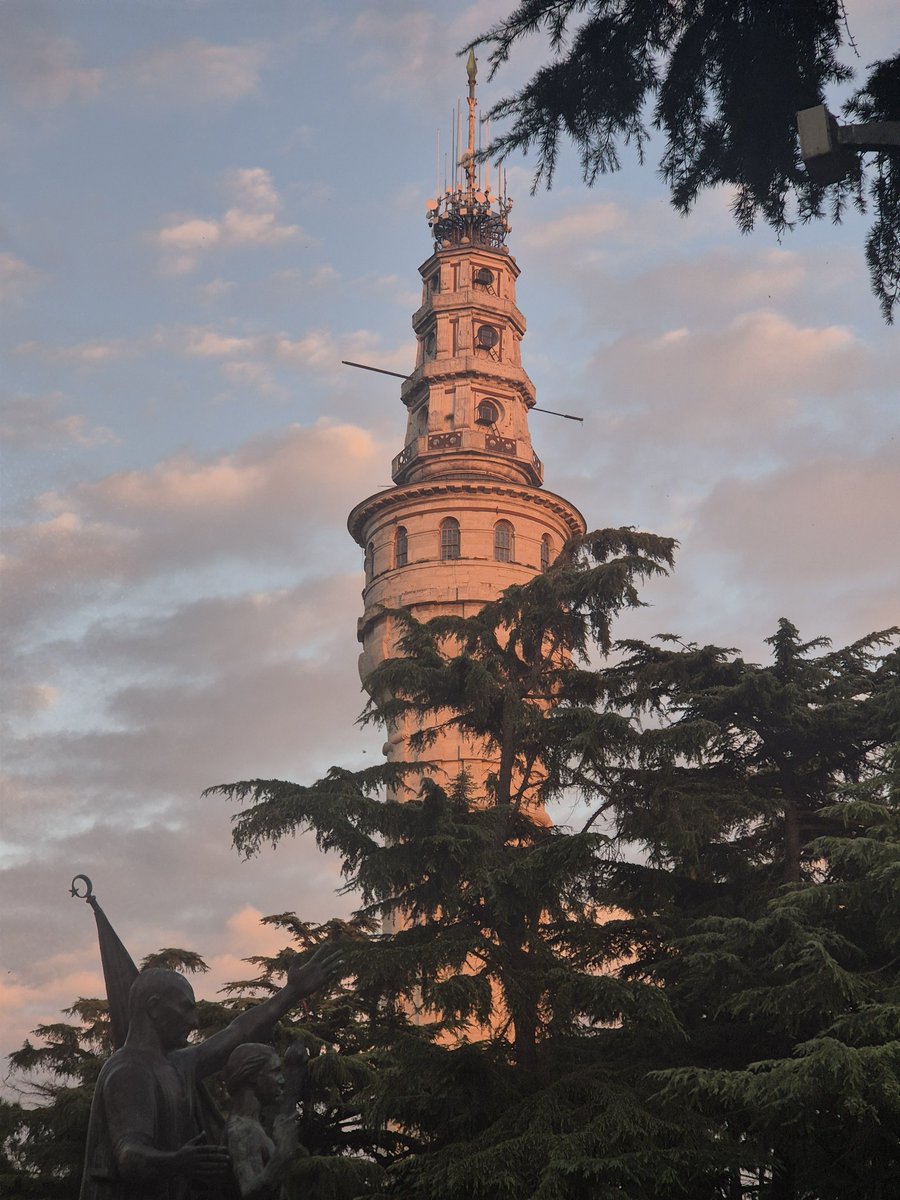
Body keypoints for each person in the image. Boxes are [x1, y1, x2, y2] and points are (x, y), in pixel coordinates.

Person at [79, 944, 341, 1200]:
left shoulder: (178, 1063)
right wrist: (179, 1161)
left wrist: (292, 992)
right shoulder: (129, 1071)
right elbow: (129, 1157)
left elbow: (237, 1033)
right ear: (154, 1007)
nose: (194, 1021)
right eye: (186, 1008)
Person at [224, 1041, 306, 1199]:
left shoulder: (254, 1125)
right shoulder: (242, 1129)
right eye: (275, 1072)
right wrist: (283, 1153)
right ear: (252, 1076)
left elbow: (283, 1116)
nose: (282, 1080)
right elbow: (251, 1194)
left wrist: (295, 1073)